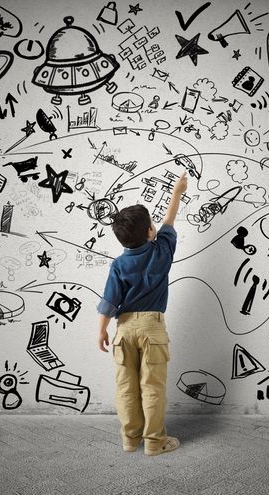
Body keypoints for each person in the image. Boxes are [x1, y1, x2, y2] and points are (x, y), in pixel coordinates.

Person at [97, 172, 188, 456]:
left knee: (125, 387)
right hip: (153, 328)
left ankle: (129, 439)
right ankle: (154, 442)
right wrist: (177, 192)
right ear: (151, 232)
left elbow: (110, 300)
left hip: (123, 330)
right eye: (152, 225)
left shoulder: (119, 264)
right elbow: (170, 220)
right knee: (152, 387)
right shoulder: (162, 250)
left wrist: (101, 330)